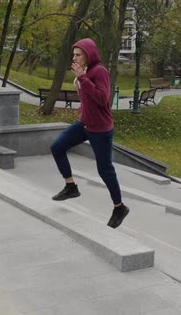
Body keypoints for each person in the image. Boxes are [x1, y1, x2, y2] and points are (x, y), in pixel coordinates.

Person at [50, 38, 129, 229]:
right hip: (85, 124)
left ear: (88, 55)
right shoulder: (83, 72)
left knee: (105, 170)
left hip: (101, 129)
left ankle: (119, 207)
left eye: (78, 54)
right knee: (57, 147)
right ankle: (71, 186)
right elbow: (88, 99)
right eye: (74, 54)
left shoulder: (99, 71)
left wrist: (83, 79)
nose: (74, 58)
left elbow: (103, 99)